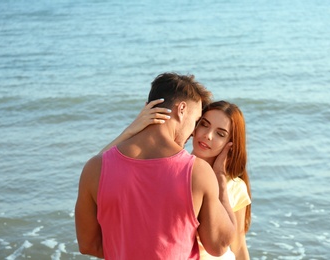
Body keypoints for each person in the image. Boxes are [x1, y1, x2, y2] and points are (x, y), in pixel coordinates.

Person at [75, 72, 237, 259]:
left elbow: (88, 245)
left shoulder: (95, 168)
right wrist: (221, 180)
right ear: (182, 109)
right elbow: (219, 246)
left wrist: (129, 131)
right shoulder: (197, 172)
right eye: (196, 121)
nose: (193, 132)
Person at [103, 99, 252, 259]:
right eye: (204, 125)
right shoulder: (172, 169)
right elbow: (101, 167)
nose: (207, 135)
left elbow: (238, 246)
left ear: (230, 144)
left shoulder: (235, 186)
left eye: (220, 134)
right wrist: (131, 131)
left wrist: (220, 177)